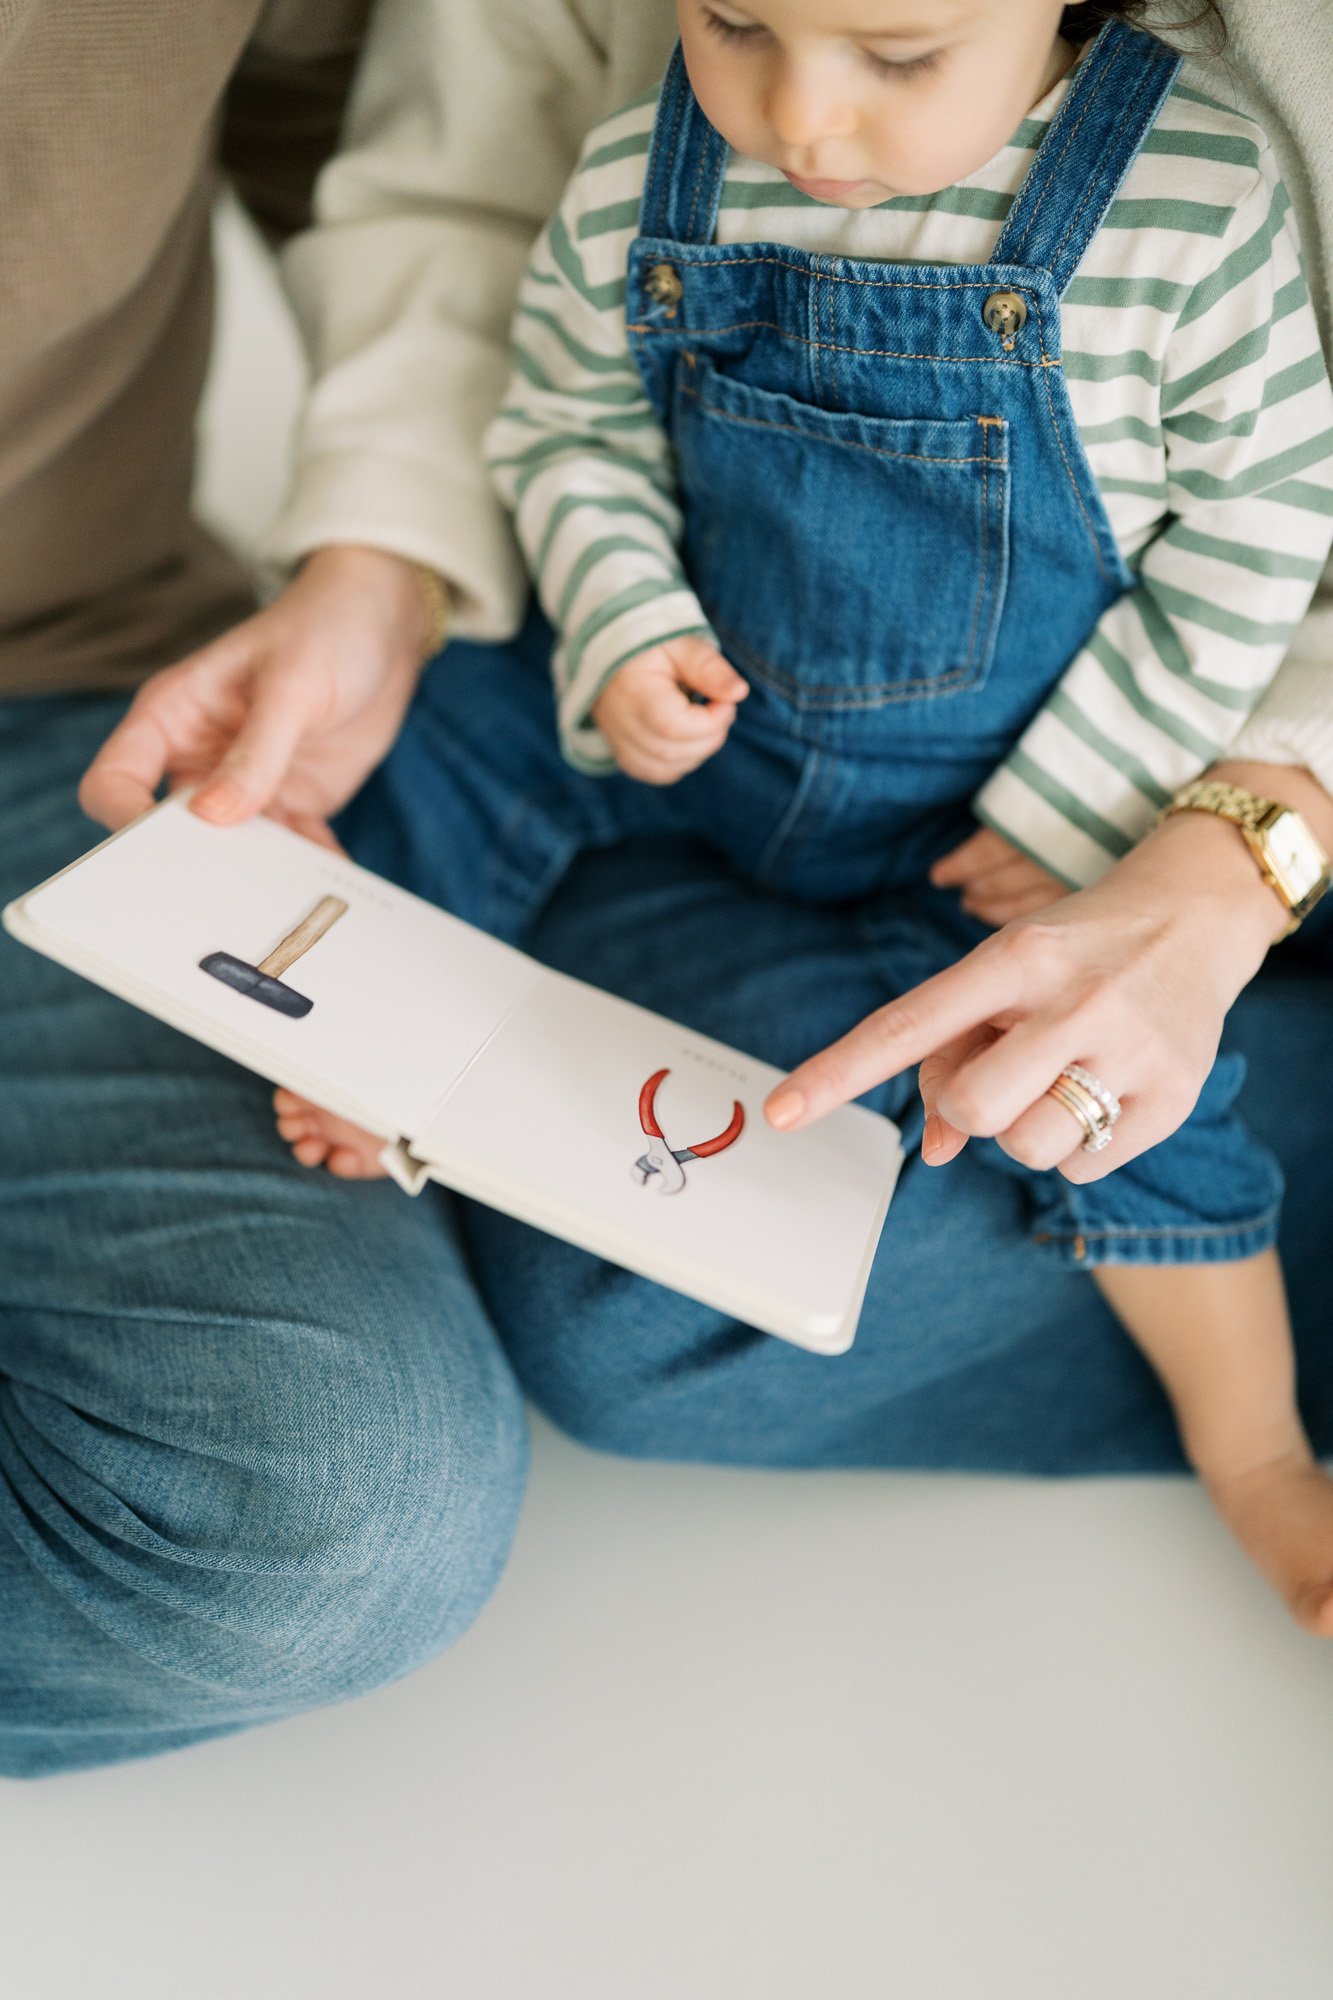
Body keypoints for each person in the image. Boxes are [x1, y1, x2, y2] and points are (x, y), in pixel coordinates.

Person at [3, 0, 1331, 1778]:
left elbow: (1260, 529)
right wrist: (620, 622)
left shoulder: (1196, 193)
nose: (804, 115)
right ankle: (371, 1053)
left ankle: (1254, 1445)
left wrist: (1122, 806)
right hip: (700, 753)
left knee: (1136, 1117)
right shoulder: (648, 157)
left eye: (899, 56)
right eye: (731, 20)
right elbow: (562, 426)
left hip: (1045, 797)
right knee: (420, 787)